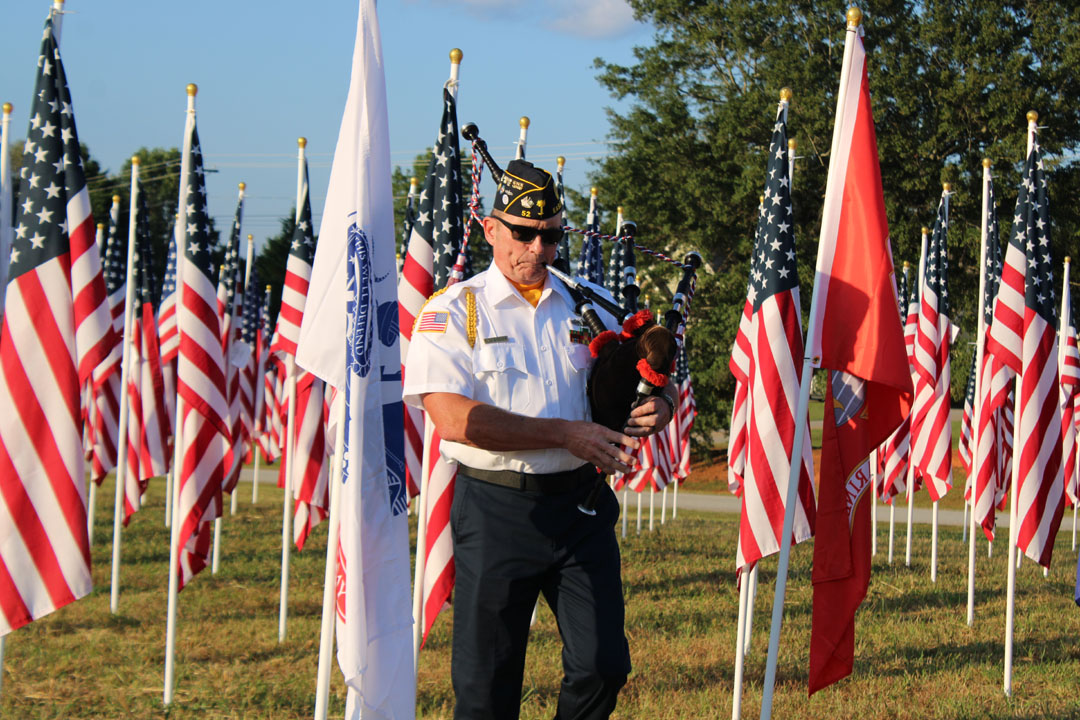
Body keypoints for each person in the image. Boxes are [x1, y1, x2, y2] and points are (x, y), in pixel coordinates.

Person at [402, 158, 676, 720]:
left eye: (549, 236)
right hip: (497, 509)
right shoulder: (456, 311)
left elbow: (657, 368)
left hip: (580, 506)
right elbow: (452, 418)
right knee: (486, 691)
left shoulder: (591, 301)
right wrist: (565, 434)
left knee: (603, 665)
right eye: (522, 234)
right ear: (491, 229)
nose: (536, 249)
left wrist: (663, 403)